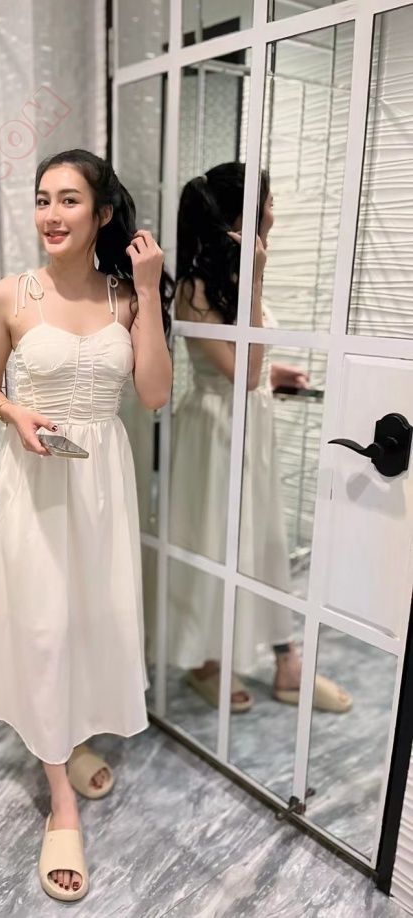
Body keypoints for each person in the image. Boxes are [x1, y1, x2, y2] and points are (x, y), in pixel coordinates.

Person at [0, 149, 173, 902]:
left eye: (68, 200)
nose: (50, 215)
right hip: (38, 484)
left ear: (102, 213)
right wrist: (14, 411)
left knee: (90, 622)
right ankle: (59, 798)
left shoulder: (126, 297)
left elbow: (153, 393)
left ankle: (70, 735)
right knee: (45, 628)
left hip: (103, 488)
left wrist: (148, 291)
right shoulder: (11, 295)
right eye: (42, 199)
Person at [166, 162, 352, 714]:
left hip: (250, 424)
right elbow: (242, 373)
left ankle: (284, 657)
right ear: (242, 215)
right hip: (215, 431)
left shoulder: (226, 279)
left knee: (264, 539)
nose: (274, 211)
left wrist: (275, 373)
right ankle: (204, 660)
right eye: (268, 202)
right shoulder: (196, 289)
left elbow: (250, 369)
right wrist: (256, 279)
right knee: (215, 539)